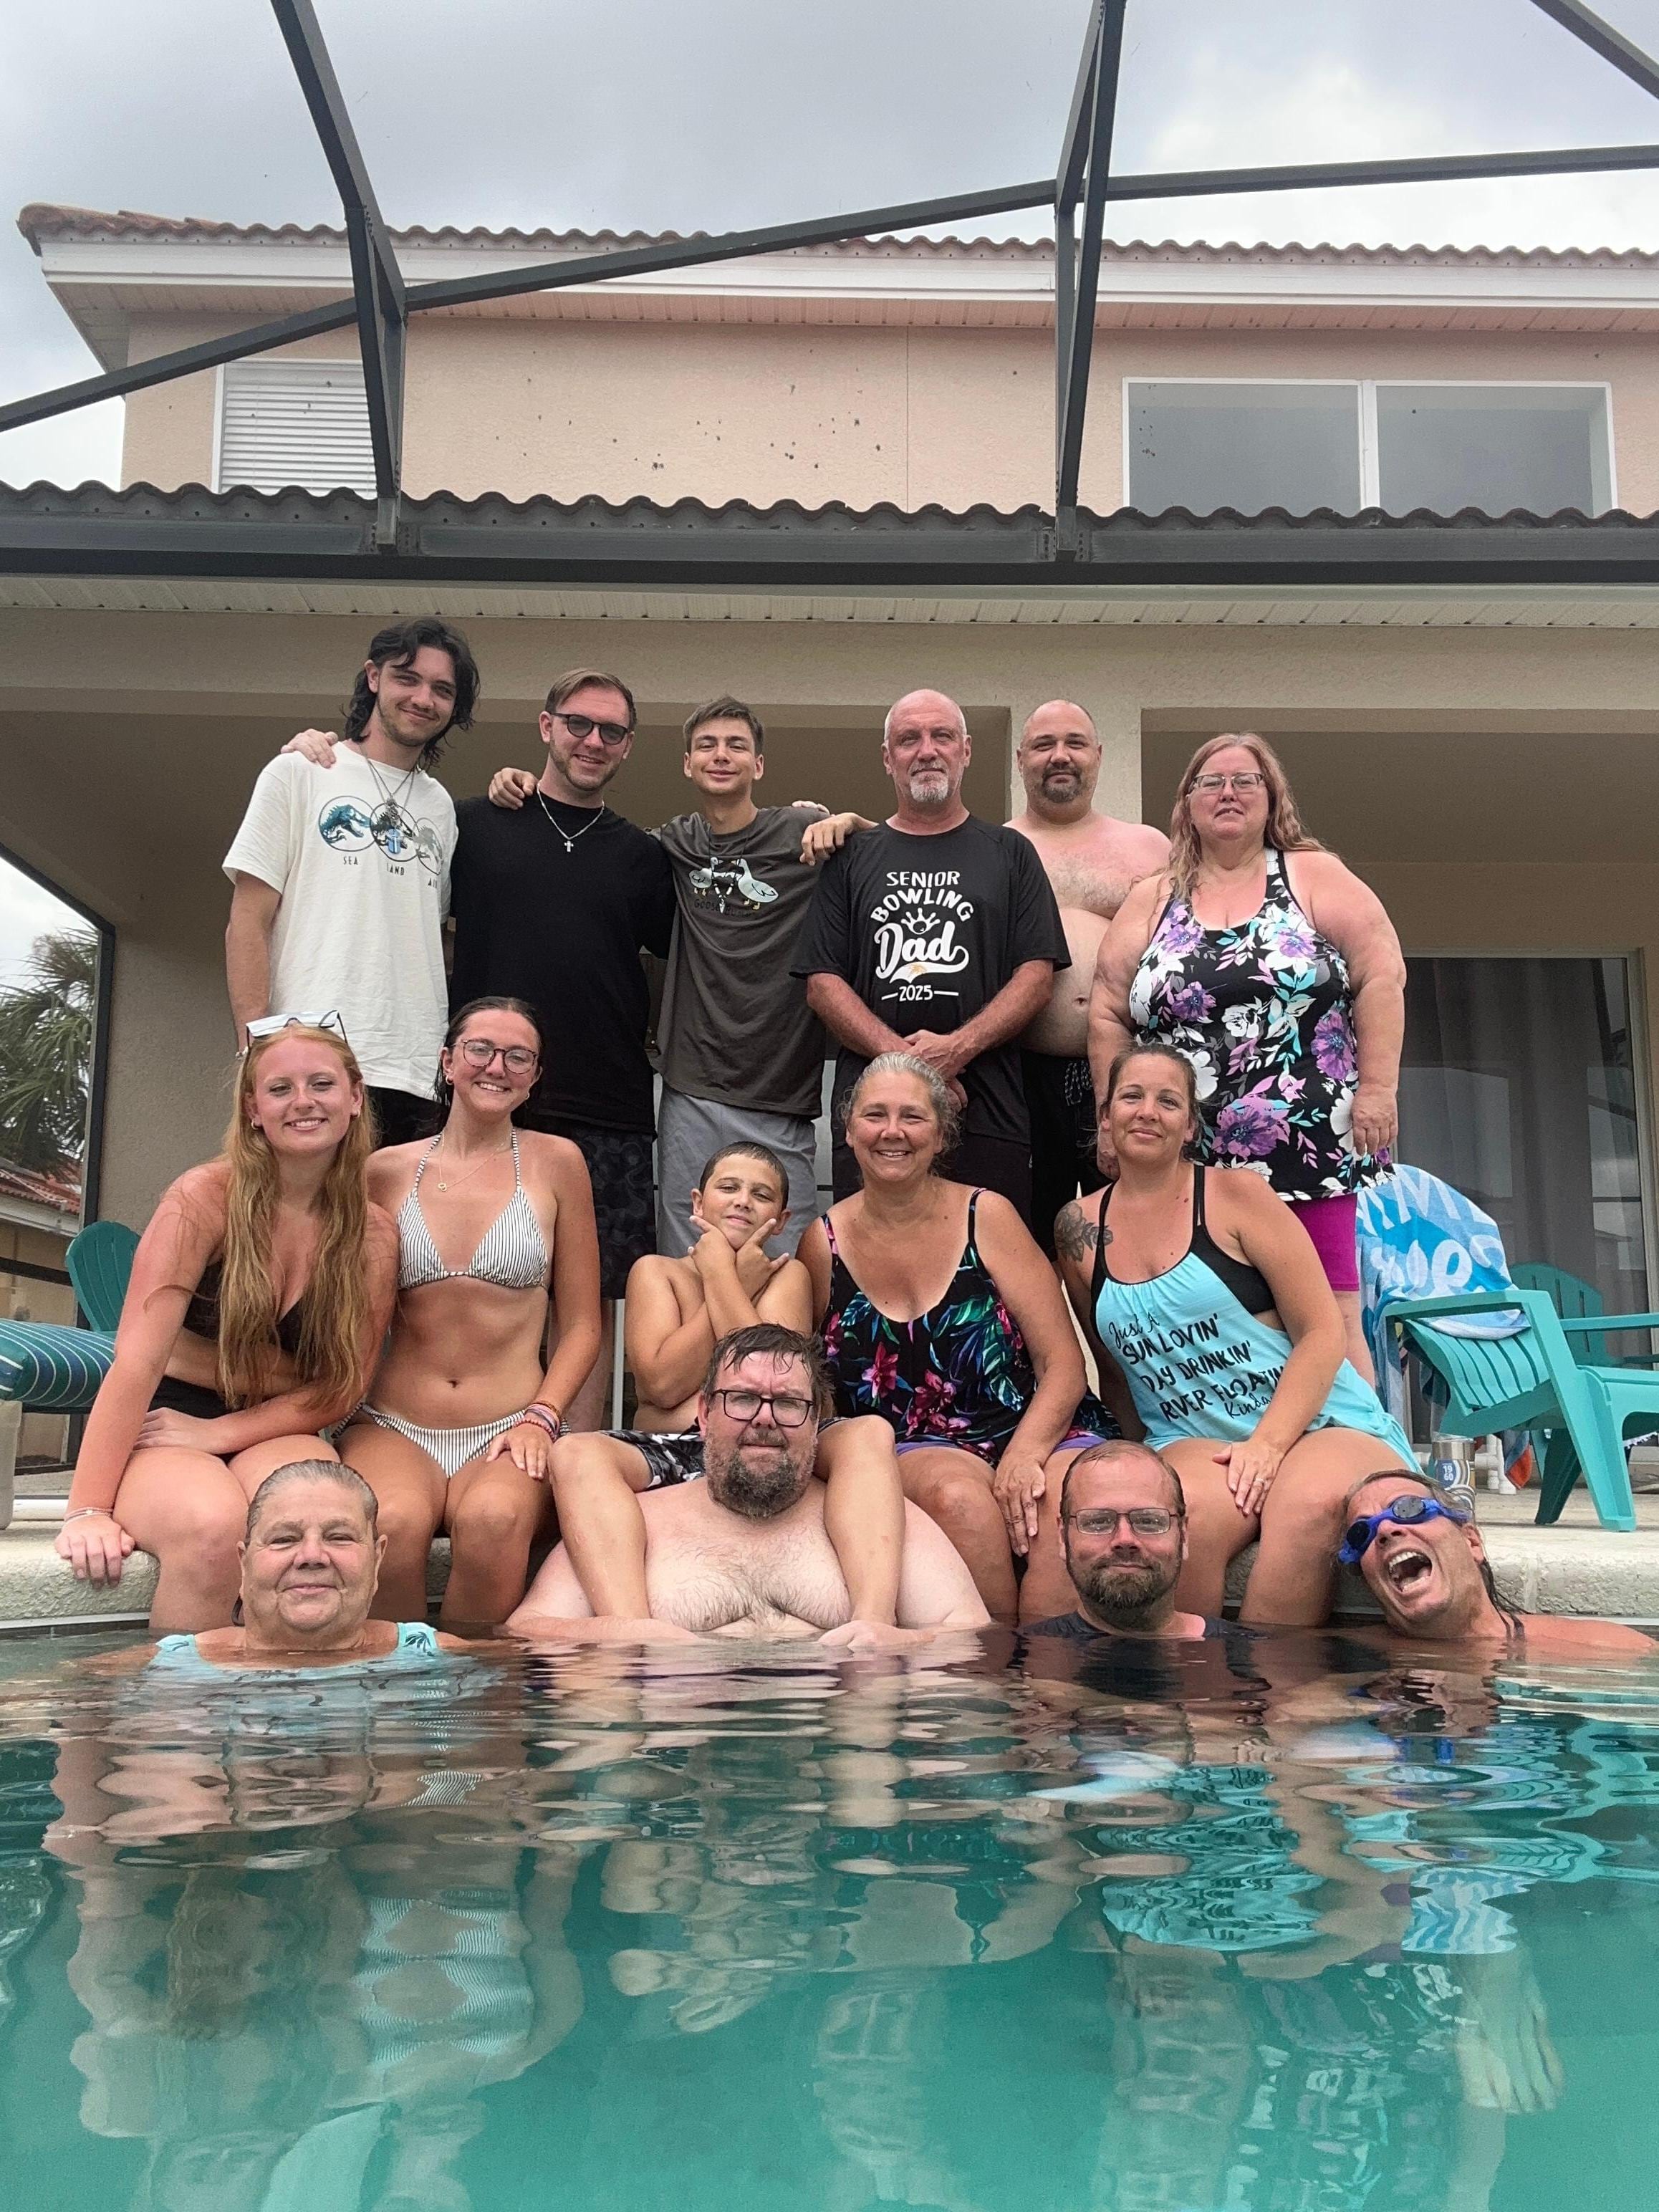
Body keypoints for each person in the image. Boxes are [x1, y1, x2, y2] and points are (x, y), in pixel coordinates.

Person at [282, 666, 674, 1430]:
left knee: (587, 1298)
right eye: (578, 723)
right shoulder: (472, 824)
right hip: (482, 1091)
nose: (593, 741)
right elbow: (384, 836)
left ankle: (570, 1457)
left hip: (606, 1102)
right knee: (415, 1273)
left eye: (611, 731)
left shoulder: (643, 856)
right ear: (546, 726)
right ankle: (391, 1433)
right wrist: (321, 753)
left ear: (628, 746)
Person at [486, 693, 866, 1258]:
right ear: (687, 763)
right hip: (691, 1087)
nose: (722, 755)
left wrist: (852, 822)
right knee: (690, 1259)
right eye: (707, 745)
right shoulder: (672, 844)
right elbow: (592, 839)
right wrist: (519, 786)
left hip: (780, 1090)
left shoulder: (802, 831)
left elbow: (894, 853)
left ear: (759, 764)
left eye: (737, 746)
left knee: (785, 1262)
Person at [1054, 1044, 1416, 1627]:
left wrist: (1268, 1447)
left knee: (1308, 1506)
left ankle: (1270, 1681)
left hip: (1319, 1422)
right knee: (1171, 1519)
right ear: (1105, 1115)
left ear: (1190, 1125)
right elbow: (1115, 1372)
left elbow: (1323, 1332)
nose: (1147, 1111)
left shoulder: (1237, 1195)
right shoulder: (1077, 1228)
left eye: (1168, 1101)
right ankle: (1178, 1680)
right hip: (1191, 1437)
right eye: (1132, 1096)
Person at [54, 1023, 399, 1630]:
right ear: (253, 1109)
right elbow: (138, 1361)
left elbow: (342, 1388)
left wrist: (216, 1435)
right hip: (167, 1416)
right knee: (214, 1530)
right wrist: (87, 1509)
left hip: (274, 1423)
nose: (303, 1102)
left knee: (321, 1525)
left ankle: (300, 1689)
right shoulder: (204, 1199)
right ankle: (179, 1695)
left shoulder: (371, 1233)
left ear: (354, 1098)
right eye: (280, 1089)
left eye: (321, 1084)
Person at [1090, 730, 1406, 1378]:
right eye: (1211, 782)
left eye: (1245, 781)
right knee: (1207, 1318)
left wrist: (1379, 1088)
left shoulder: (1313, 874)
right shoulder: (1153, 896)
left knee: (1330, 1315)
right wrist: (1109, 1119)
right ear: (1187, 803)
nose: (1228, 793)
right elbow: (1107, 1011)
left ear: (1272, 798)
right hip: (1186, 1151)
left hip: (1306, 1141)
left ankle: (1364, 1441)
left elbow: (1381, 973)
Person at [531, 1140, 907, 1634]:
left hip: (774, 1441)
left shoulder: (790, 1276)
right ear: (698, 1202)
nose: (743, 1201)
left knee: (868, 1433)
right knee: (575, 1453)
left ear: (782, 1218)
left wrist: (721, 1276)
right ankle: (631, 1626)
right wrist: (730, 1282)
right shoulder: (656, 1272)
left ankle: (874, 1619)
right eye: (728, 1188)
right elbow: (661, 1383)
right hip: (676, 1445)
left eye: (761, 1194)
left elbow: (768, 1374)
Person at [797, 1052, 1113, 1629]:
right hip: (910, 1443)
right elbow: (808, 1383)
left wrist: (1025, 1454)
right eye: (876, 1115)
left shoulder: (987, 1215)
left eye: (913, 1116)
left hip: (1035, 1425)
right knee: (959, 1501)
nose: (893, 1131)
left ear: (942, 1134)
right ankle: (995, 1671)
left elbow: (1063, 1364)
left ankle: (1057, 1677)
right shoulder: (823, 1244)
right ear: (848, 1130)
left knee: (1072, 1502)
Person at [340, 996, 602, 1630]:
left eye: (518, 1057)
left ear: (535, 1077)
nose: (497, 1067)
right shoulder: (383, 1170)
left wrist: (544, 1418)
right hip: (395, 1422)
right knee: (393, 1524)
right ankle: (399, 1687)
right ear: (448, 1061)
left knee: (494, 1522)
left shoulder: (559, 1162)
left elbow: (582, 1324)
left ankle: (477, 1692)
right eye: (480, 1049)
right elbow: (345, 1307)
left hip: (512, 1421)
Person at [509, 1324, 989, 1639]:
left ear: (816, 1421)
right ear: (704, 1414)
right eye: (741, 1399)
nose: (764, 1419)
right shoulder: (633, 1524)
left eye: (788, 1403)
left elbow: (967, 1634)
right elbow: (529, 1630)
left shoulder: (879, 1520)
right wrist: (623, 1636)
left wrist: (897, 1643)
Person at [792, 688, 1068, 1223]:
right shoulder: (851, 857)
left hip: (986, 1109)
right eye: (909, 739)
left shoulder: (1010, 853)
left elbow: (1036, 976)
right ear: (887, 757)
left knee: (989, 1258)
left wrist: (958, 1048)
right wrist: (910, 1067)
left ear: (966, 750)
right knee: (869, 1260)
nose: (926, 750)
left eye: (942, 736)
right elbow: (822, 983)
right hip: (874, 1114)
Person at [227, 618, 479, 1146]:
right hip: (312, 1064)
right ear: (373, 677)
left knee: (396, 1207)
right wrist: (255, 1050)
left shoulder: (441, 808)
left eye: (442, 689)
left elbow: (428, 937)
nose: (423, 698)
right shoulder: (299, 771)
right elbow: (248, 921)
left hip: (415, 1070)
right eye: (407, 678)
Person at [1008, 701, 1169, 1256]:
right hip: (1020, 1074)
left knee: (1131, 1235)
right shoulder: (993, 848)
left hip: (1130, 1069)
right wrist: (844, 823)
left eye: (1075, 743)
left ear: (1098, 756)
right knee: (1024, 1236)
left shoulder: (1150, 847)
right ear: (1020, 759)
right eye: (1044, 745)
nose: (1060, 756)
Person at [139, 1461, 474, 1670]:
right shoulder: (162, 1670)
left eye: (339, 1537)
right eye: (284, 1539)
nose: (312, 1556)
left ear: (377, 1560)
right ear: (244, 1564)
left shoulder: (449, 1662)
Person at [1340, 1469, 1653, 1654]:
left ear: (1472, 1542)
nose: (1384, 1530)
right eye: (1361, 1532)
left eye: (1409, 1509)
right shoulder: (1351, 1656)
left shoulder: (1609, 1647)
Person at [1025, 1441, 1216, 1642]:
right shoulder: (1026, 1651)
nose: (1125, 1539)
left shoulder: (1234, 1651)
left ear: (1183, 1535)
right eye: (1098, 1522)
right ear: (1063, 1537)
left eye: (1148, 1521)